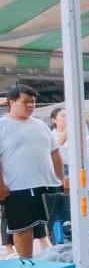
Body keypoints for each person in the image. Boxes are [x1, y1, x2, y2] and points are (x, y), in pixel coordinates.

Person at [0, 84, 63, 257]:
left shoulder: (40, 125)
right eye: (25, 101)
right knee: (23, 230)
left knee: (57, 225)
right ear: (11, 102)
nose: (30, 105)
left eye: (33, 102)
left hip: (49, 184)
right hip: (18, 187)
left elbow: (55, 153)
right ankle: (27, 264)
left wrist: (60, 179)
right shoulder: (2, 125)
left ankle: (59, 260)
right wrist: (1, 185)